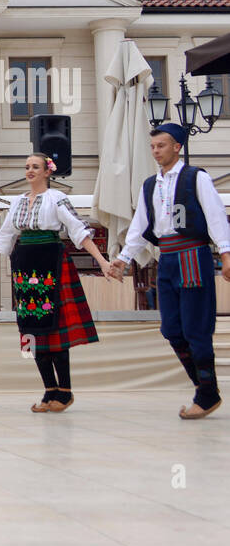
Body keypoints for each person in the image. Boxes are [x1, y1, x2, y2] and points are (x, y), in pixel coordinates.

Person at [0, 152, 113, 412]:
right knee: (31, 328)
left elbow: (78, 230)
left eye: (35, 167)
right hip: (25, 266)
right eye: (27, 167)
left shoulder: (56, 199)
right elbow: (3, 238)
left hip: (51, 262)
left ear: (47, 171)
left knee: (55, 328)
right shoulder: (17, 202)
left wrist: (102, 261)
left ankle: (64, 391)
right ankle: (49, 390)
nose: (30, 171)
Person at [111, 123, 230, 419]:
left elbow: (216, 216)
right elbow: (140, 224)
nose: (155, 151)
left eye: (161, 146)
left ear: (177, 146)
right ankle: (206, 389)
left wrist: (226, 254)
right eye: (152, 146)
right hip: (166, 258)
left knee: (196, 329)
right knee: (172, 330)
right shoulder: (150, 184)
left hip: (193, 254)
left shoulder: (195, 178)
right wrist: (124, 258)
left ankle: (205, 393)